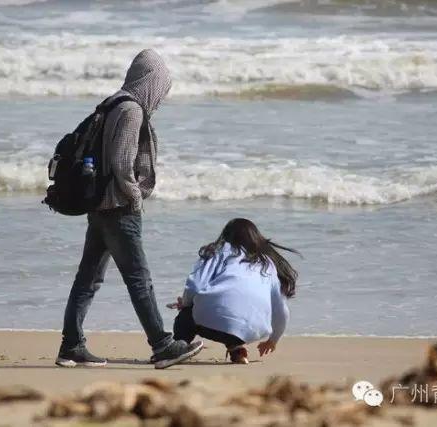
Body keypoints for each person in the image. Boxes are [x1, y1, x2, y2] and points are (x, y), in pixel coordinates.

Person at [56, 49, 203, 370]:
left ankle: (71, 346)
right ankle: (163, 345)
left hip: (101, 206)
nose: (162, 94)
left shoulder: (113, 104)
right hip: (118, 207)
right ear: (149, 81)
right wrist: (134, 198)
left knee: (88, 279)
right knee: (139, 279)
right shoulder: (131, 110)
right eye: (161, 85)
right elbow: (122, 162)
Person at [170, 218, 299, 364]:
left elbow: (194, 286)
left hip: (212, 321)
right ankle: (238, 351)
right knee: (233, 316)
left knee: (186, 317)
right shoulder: (267, 263)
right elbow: (281, 310)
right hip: (251, 331)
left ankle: (177, 348)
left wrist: (186, 303)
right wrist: (273, 340)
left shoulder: (218, 251)